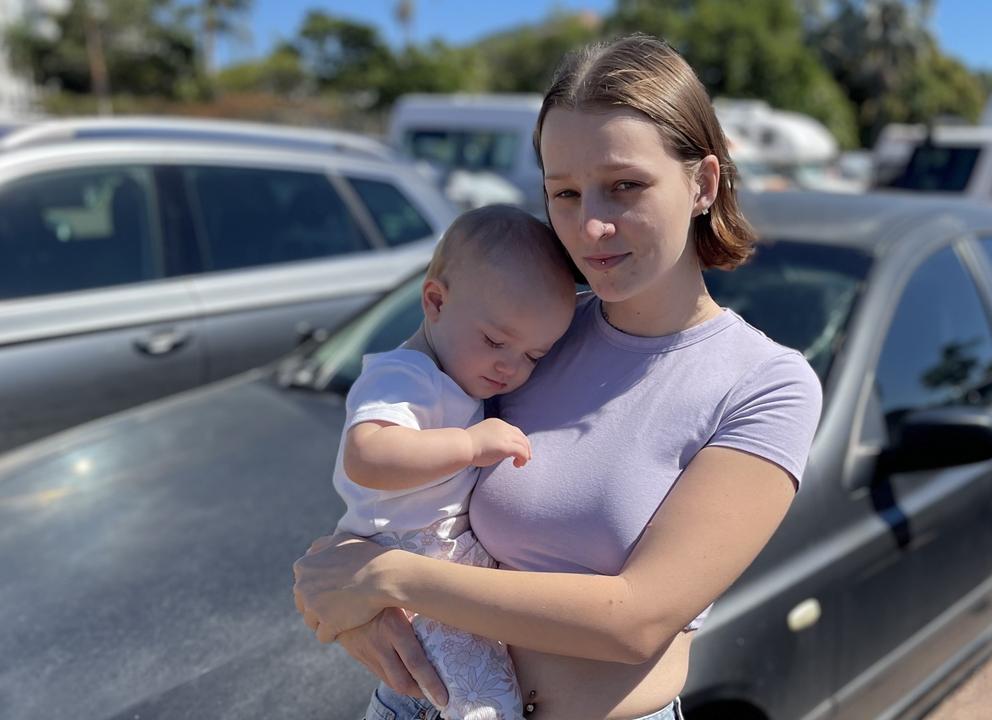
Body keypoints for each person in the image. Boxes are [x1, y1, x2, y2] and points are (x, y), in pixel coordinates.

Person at [294, 34, 823, 720]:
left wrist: (386, 580)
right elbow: (389, 472)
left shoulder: (765, 384)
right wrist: (341, 586)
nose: (591, 225)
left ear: (703, 183)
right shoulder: (529, 335)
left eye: (624, 186)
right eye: (564, 193)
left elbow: (633, 621)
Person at [331, 204, 576, 719]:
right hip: (409, 552)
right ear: (435, 301)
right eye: (495, 341)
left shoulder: (457, 376)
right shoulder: (405, 375)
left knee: (460, 688)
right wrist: (470, 445)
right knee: (477, 699)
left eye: (535, 356)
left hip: (435, 560)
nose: (511, 366)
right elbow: (367, 454)